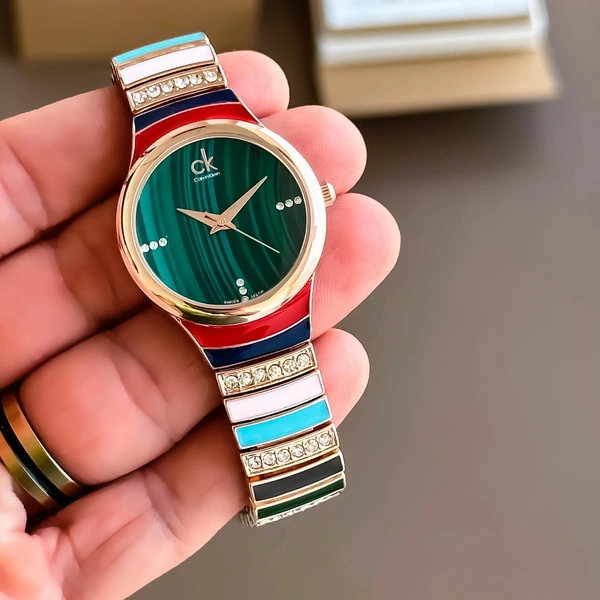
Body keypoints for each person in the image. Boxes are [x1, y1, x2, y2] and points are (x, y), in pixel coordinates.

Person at [0, 50, 400, 599]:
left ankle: (293, 472)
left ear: (317, 196)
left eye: (223, 219)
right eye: (214, 221)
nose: (219, 224)